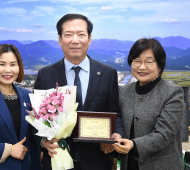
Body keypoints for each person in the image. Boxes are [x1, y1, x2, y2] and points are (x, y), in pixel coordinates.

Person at [33, 13, 124, 170]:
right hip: (57, 159)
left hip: (96, 160)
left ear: (89, 39)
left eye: (81, 34)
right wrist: (43, 142)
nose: (75, 40)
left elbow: (116, 113)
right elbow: (36, 118)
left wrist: (116, 135)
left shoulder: (108, 73)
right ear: (60, 40)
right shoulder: (46, 75)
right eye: (68, 35)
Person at [113, 38, 184, 170]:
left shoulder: (173, 93)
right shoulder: (124, 91)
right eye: (137, 61)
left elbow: (164, 134)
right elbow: (118, 122)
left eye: (149, 62)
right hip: (129, 165)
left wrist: (133, 144)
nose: (142, 67)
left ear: (160, 66)